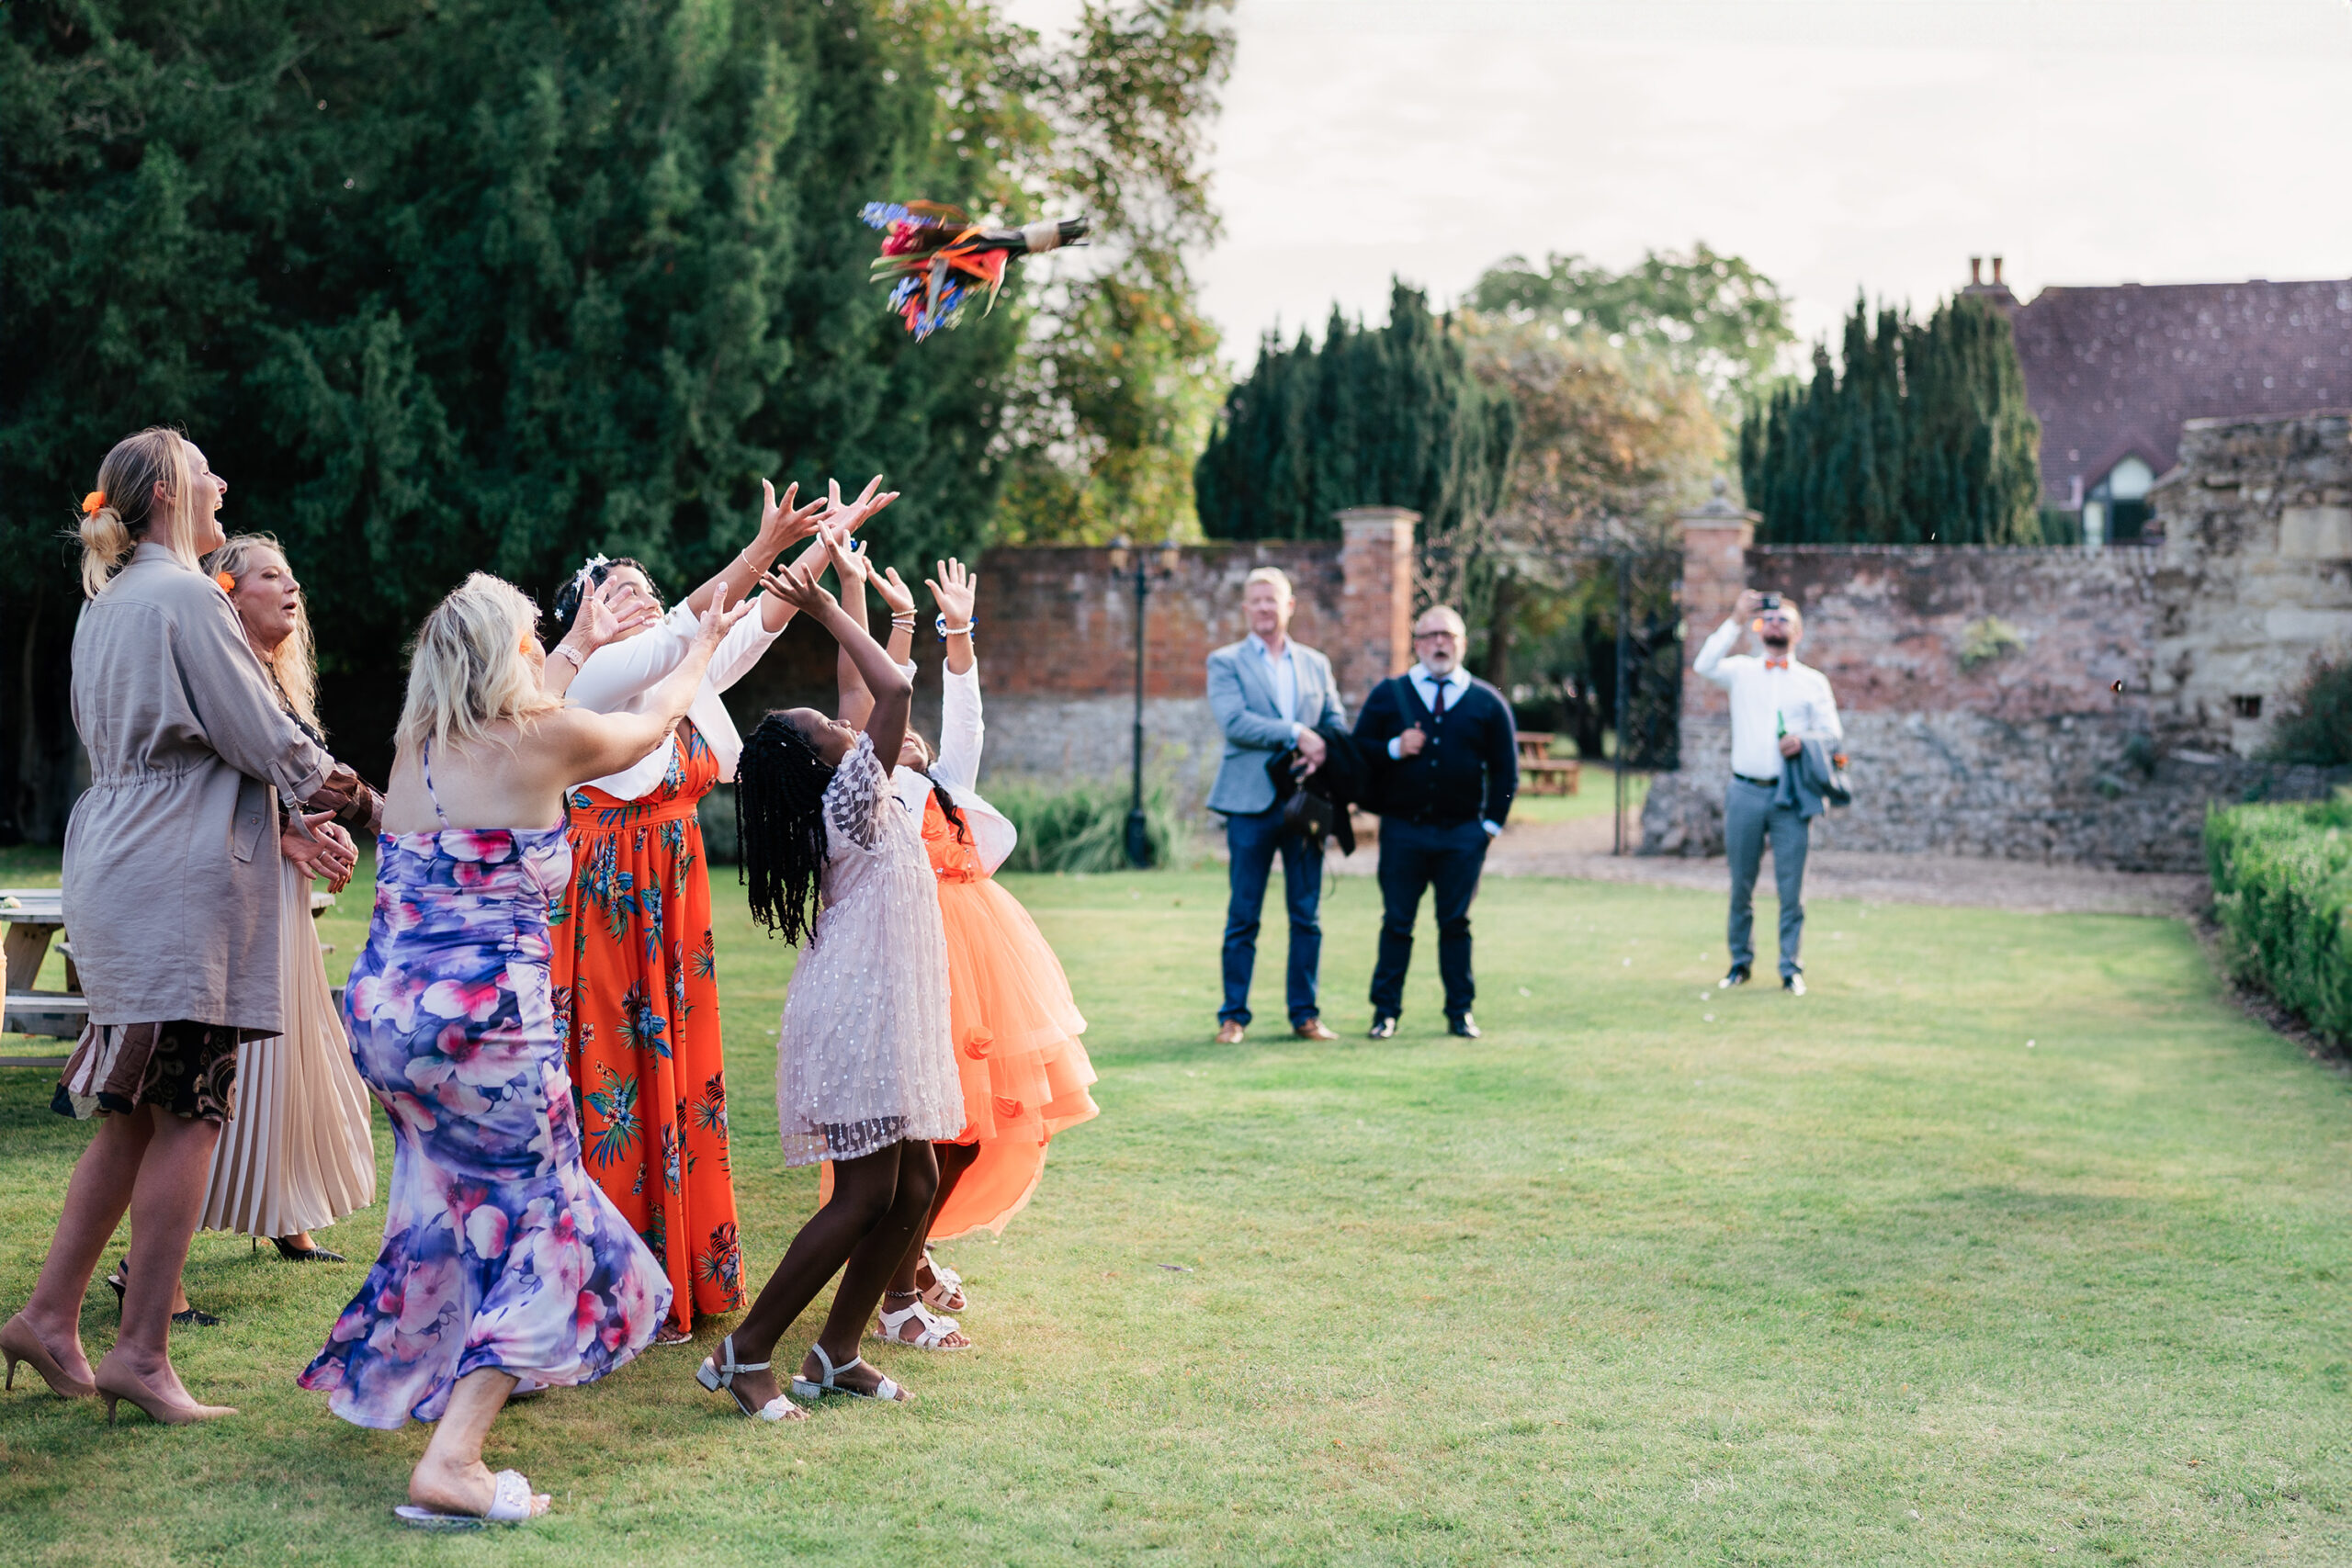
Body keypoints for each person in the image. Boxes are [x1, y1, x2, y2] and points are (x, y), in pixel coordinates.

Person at [299, 570, 741, 1526]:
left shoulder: (419, 745)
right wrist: (701, 651)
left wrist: (581, 638)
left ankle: (416, 1386)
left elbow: (548, 688)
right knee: (551, 1225)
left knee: (445, 1209)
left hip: (385, 1018)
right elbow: (652, 724)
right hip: (486, 1027)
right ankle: (452, 1458)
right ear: (507, 654)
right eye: (534, 636)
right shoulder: (547, 742)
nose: (546, 650)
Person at [2, 428, 365, 1426]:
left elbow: (190, 741)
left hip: (124, 866)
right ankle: (143, 1354)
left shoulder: (110, 604)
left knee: (137, 1114)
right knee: (192, 1110)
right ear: (169, 492)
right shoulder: (187, 599)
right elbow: (261, 731)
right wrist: (364, 800)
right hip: (176, 882)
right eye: (210, 474)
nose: (225, 484)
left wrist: (289, 823)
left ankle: (46, 1318)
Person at [548, 475, 881, 1344]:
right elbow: (697, 620)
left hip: (674, 892)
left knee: (682, 1081)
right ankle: (610, 1284)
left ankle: (677, 1273)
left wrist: (823, 545)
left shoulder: (683, 671)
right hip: (612, 900)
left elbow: (761, 618)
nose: (641, 596)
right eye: (616, 588)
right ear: (581, 617)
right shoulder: (597, 675)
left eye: (646, 587)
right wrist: (761, 543)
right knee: (617, 1075)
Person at [699, 540, 962, 1420]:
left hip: (879, 1005)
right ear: (829, 764)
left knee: (914, 1186)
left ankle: (837, 1349)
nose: (848, 725)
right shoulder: (851, 796)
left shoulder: (853, 788)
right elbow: (889, 693)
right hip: (856, 1011)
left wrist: (863, 594)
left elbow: (864, 695)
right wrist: (820, 611)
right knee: (863, 1197)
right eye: (829, 729)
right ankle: (745, 1351)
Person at [817, 542, 1099, 1349]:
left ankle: (911, 1256)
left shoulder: (948, 786)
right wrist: (882, 612)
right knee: (933, 1137)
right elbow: (873, 690)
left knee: (979, 1136)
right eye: (880, 730)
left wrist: (959, 630)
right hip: (918, 967)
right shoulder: (877, 794)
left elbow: (967, 715)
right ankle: (899, 1295)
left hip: (987, 970)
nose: (903, 733)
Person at [189, 535, 379, 1267]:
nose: (291, 587)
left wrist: (300, 833)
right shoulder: (221, 677)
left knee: (296, 1058)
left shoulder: (270, 679)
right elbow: (205, 791)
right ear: (229, 593)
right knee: (231, 1074)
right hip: (233, 899)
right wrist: (295, 833)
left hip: (281, 898)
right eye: (272, 576)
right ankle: (148, 1267)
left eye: (292, 575)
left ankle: (290, 1213)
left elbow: (267, 788)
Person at [1351, 605, 1519, 1040]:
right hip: (1403, 830)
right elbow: (1357, 751)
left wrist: (1491, 826)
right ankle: (1385, 1013)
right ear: (1417, 643)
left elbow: (1506, 772)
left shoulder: (1487, 701)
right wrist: (1392, 747)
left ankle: (1460, 1012)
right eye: (1431, 636)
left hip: (1464, 834)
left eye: (1449, 636)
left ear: (1462, 644)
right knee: (1397, 922)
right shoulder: (1390, 694)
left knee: (1456, 924)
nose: (1440, 643)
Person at [1204, 567, 1347, 1045]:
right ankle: (1233, 1017)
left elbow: (1334, 719)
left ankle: (1305, 1015)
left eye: (1274, 600)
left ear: (1290, 606)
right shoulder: (1225, 661)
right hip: (1249, 804)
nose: (1265, 607)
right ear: (1246, 609)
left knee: (1306, 912)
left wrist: (1321, 746)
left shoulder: (1315, 663)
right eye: (1256, 600)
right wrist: (1294, 733)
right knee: (1244, 913)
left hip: (1305, 803)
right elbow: (1235, 722)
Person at [1693, 590, 1844, 995]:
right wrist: (1736, 619)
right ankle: (1740, 963)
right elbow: (1703, 664)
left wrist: (1804, 739)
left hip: (1790, 797)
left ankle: (1790, 967)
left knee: (1791, 888)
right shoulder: (1741, 671)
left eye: (1785, 621)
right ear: (1760, 629)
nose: (1776, 625)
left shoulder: (1812, 682)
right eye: (1770, 620)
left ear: (1798, 632)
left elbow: (1833, 735)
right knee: (1741, 884)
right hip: (1744, 791)